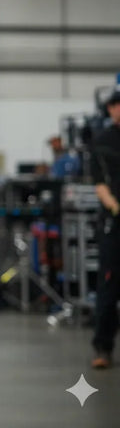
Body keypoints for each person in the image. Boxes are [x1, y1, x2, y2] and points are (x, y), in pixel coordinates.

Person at [90, 86, 120, 369]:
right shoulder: (102, 141)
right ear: (110, 109)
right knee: (109, 285)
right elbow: (100, 183)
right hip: (114, 222)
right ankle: (103, 347)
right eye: (116, 105)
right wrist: (113, 205)